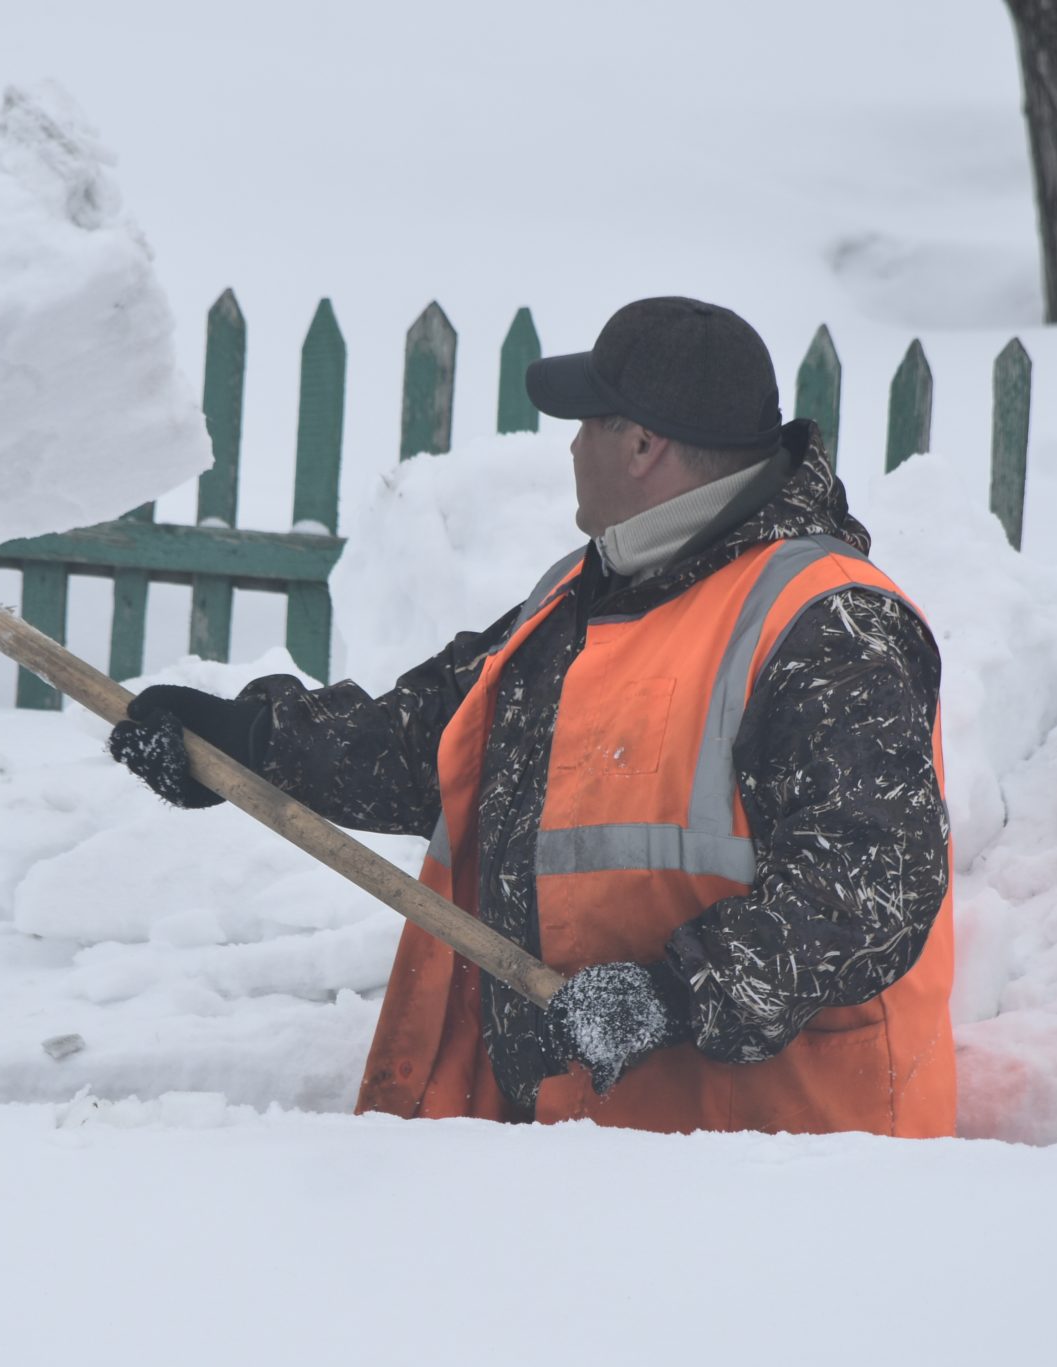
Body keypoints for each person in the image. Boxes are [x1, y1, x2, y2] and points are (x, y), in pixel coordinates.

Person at [108, 298, 956, 1137]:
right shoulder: (587, 596)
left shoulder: (828, 623)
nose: (573, 444)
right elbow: (425, 742)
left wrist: (671, 993)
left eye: (587, 423)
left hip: (776, 1179)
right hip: (588, 1153)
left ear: (641, 445)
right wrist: (247, 743)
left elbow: (871, 884)